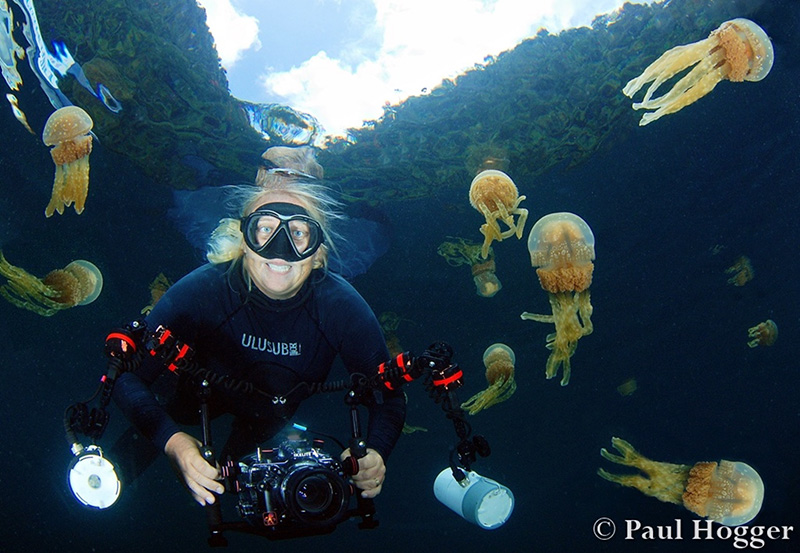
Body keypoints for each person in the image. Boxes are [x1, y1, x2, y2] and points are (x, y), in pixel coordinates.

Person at [112, 147, 405, 506]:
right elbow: (129, 375)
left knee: (232, 494)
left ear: (318, 253)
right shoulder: (206, 288)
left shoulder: (342, 308)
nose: (279, 251)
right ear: (243, 240)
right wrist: (173, 443)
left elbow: (388, 395)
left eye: (298, 233)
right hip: (191, 395)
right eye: (265, 229)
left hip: (266, 416)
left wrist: (375, 453)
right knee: (158, 432)